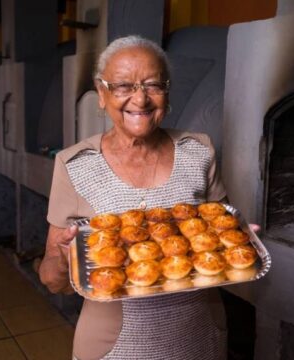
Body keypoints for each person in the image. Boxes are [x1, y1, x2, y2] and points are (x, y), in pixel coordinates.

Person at [39, 35, 228, 360]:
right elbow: (52, 280)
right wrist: (63, 260)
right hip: (115, 345)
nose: (140, 100)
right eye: (123, 86)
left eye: (153, 85)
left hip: (199, 333)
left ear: (167, 94)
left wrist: (241, 241)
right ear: (101, 94)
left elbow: (222, 235)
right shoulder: (74, 165)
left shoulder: (199, 152)